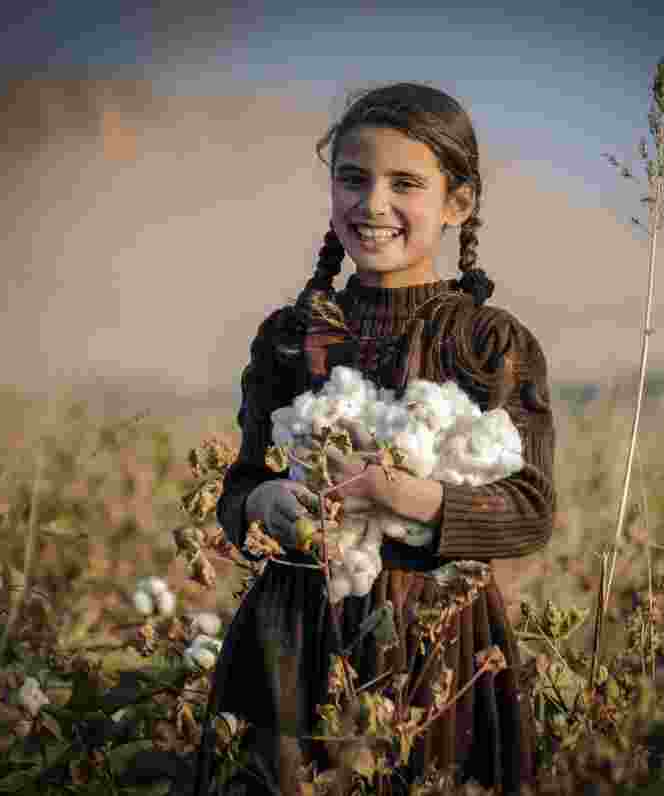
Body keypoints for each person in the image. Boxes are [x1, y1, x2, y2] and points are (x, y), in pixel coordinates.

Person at [196, 82, 557, 796]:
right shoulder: (293, 338)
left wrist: (414, 497)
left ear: (457, 203)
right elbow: (237, 490)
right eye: (353, 179)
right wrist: (265, 501)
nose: (373, 205)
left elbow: (530, 511)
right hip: (293, 633)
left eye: (405, 184)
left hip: (438, 643)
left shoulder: (489, 343)